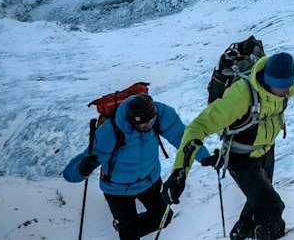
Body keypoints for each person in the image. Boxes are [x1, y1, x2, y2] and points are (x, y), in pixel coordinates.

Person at [161, 52, 294, 240]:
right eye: (282, 87)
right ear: (267, 80)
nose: (287, 91)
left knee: (257, 201)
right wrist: (179, 171)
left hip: (266, 150)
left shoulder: (288, 77)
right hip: (240, 158)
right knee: (271, 206)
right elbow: (198, 127)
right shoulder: (241, 96)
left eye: (290, 85)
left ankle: (241, 233)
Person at [63, 93, 212, 239]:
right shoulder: (110, 132)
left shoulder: (160, 115)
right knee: (130, 234)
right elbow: (75, 168)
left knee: (163, 218)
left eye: (151, 121)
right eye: (144, 124)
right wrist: (81, 169)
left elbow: (182, 137)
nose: (149, 125)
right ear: (132, 121)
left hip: (149, 180)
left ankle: (126, 227)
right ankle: (127, 229)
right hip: (117, 189)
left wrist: (205, 157)